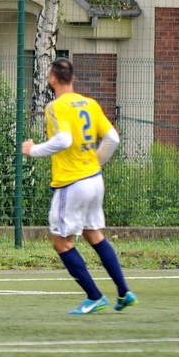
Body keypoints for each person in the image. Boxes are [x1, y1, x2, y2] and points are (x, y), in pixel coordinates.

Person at [21, 57, 137, 315]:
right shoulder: (90, 103)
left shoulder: (55, 107)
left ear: (52, 79)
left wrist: (33, 150)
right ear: (73, 78)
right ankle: (124, 291)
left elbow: (63, 140)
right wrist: (96, 162)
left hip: (71, 183)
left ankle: (95, 296)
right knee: (93, 234)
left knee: (61, 242)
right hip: (94, 179)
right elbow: (113, 138)